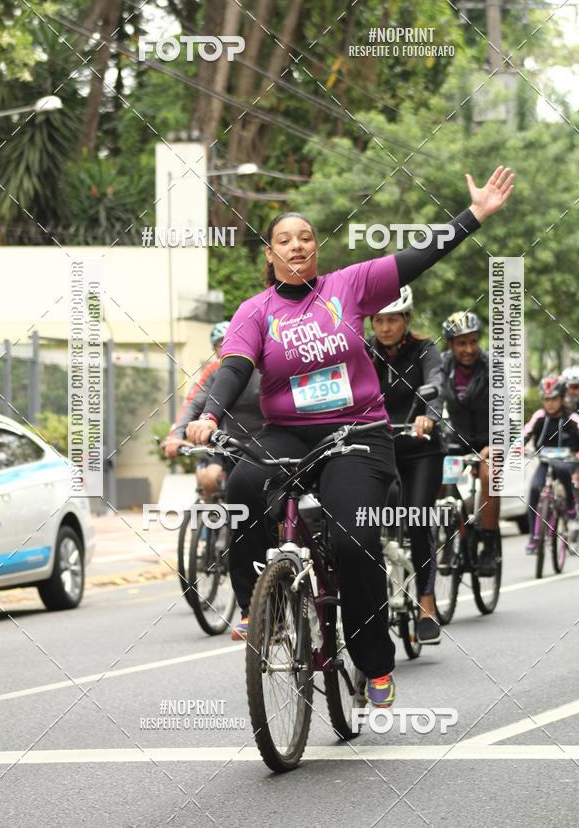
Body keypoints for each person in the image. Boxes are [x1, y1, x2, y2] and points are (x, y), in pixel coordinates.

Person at [187, 166, 515, 708]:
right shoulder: (255, 312)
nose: (296, 246)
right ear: (270, 256)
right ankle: (257, 608)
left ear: (316, 249)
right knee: (242, 486)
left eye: (306, 238)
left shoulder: (348, 286)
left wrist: (474, 215)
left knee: (350, 538)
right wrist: (212, 415)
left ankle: (375, 662)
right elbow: (235, 370)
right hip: (288, 433)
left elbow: (419, 256)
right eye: (284, 240)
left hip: (357, 433)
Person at [368, 285, 445, 645]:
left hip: (420, 449)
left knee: (416, 517)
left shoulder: (425, 350)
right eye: (379, 321)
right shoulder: (365, 352)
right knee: (363, 518)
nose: (385, 328)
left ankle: (427, 602)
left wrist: (429, 416)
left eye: (393, 320)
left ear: (406, 319)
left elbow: (436, 384)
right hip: (379, 447)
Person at [440, 311, 499, 577]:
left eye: (473, 341)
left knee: (490, 472)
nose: (468, 349)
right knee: (439, 475)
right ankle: (450, 536)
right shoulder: (442, 367)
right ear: (451, 345)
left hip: (490, 439)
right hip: (457, 440)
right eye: (461, 343)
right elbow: (432, 401)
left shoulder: (493, 367)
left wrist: (495, 443)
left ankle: (489, 542)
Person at [161, 321, 229, 499]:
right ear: (214, 349)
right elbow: (193, 403)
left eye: (229, 341)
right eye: (220, 344)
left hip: (252, 443)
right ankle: (213, 519)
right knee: (207, 478)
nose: (225, 348)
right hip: (218, 443)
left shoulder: (258, 366)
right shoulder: (213, 371)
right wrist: (176, 436)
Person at [524, 375, 579, 552]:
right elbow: (524, 434)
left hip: (568, 462)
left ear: (561, 398)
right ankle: (534, 537)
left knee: (561, 468)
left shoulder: (573, 418)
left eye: (554, 399)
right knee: (533, 489)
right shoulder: (539, 416)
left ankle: (570, 504)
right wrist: (517, 447)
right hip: (545, 462)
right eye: (546, 399)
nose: (550, 403)